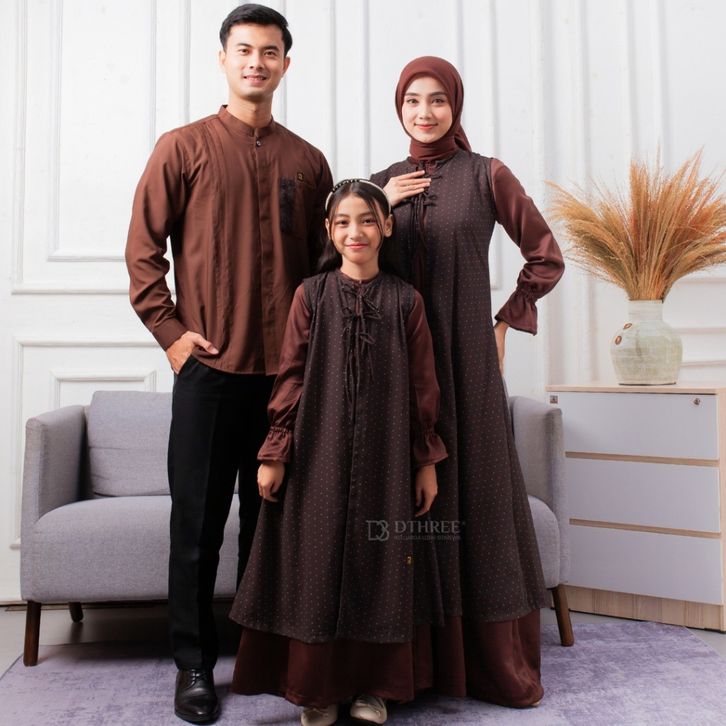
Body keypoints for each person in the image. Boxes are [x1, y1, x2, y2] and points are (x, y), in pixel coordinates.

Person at [125, 4, 332, 723]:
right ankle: (193, 666)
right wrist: (174, 336)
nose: (256, 63)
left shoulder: (308, 161)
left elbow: (325, 265)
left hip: (288, 379)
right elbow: (143, 253)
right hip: (209, 375)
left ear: (285, 64)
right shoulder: (181, 148)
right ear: (223, 59)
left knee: (274, 526)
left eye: (269, 52)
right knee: (198, 527)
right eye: (244, 50)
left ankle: (262, 655)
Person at [370, 56, 565, 707]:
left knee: (473, 490)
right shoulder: (379, 182)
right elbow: (335, 257)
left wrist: (506, 320)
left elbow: (545, 254)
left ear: (454, 105)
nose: (424, 112)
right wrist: (381, 205)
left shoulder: (487, 174)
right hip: (395, 364)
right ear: (399, 107)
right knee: (402, 497)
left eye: (437, 100)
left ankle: (483, 663)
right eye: (412, 100)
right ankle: (406, 665)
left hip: (465, 361)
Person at [228, 179, 448, 726]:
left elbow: (424, 390)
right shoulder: (311, 295)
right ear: (329, 230)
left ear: (387, 226)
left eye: (368, 220)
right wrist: (275, 451)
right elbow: (291, 375)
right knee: (317, 564)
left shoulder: (406, 301)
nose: (357, 232)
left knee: (382, 564)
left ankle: (374, 689)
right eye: (344, 222)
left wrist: (424, 463)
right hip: (315, 455)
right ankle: (318, 690)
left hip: (387, 458)